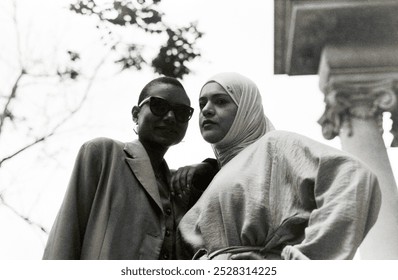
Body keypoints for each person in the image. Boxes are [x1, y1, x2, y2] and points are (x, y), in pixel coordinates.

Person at [175, 72, 382, 260]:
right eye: (202, 104)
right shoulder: (214, 178)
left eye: (221, 101)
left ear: (247, 110)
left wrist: (307, 258)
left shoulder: (274, 146)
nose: (207, 110)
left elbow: (352, 176)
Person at [43, 76, 216, 260]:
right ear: (136, 114)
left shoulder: (178, 186)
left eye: (182, 112)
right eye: (159, 106)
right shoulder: (104, 154)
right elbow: (66, 234)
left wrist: (207, 167)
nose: (171, 117)